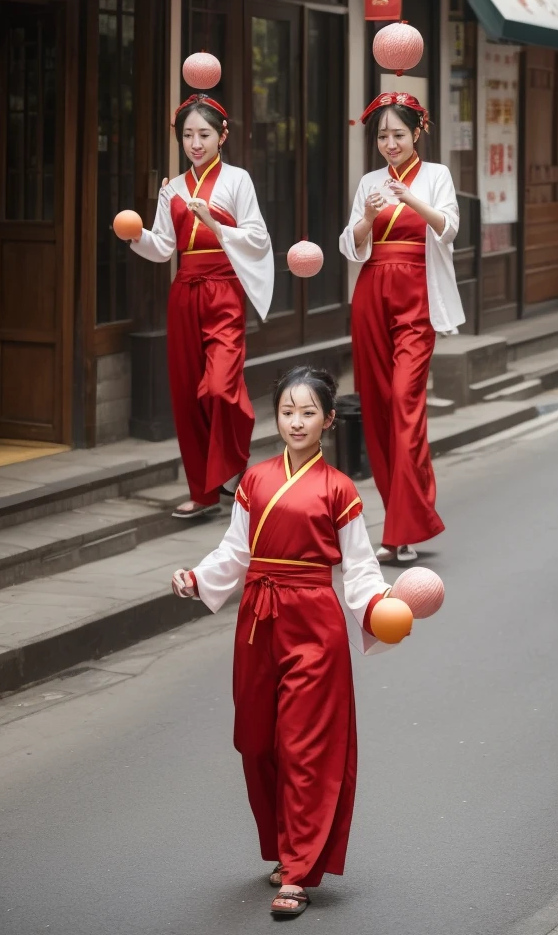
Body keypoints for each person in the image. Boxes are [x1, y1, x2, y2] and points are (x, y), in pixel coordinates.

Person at [171, 366, 391, 918]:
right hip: (257, 620)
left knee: (305, 746)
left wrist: (380, 606)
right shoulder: (254, 479)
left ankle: (297, 871)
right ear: (277, 417)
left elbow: (360, 569)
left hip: (314, 624)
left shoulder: (339, 489)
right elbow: (234, 551)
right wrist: (198, 577)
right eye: (288, 412)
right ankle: (282, 845)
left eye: (308, 412)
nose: (297, 421)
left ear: (329, 421)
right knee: (257, 740)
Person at [129, 94, 274, 519]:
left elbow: (257, 238)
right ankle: (203, 492)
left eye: (204, 134)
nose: (195, 143)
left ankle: (232, 467)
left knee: (219, 386)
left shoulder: (237, 181)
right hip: (185, 292)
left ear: (222, 136)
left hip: (225, 291)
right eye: (188, 135)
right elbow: (163, 247)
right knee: (186, 395)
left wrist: (213, 222)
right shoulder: (172, 188)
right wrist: (135, 235)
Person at [340, 93, 465, 564]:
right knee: (376, 405)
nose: (390, 143)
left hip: (417, 298)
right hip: (372, 295)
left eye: (398, 134)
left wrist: (412, 198)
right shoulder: (370, 181)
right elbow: (351, 244)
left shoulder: (436, 177)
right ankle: (397, 526)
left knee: (404, 403)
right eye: (382, 136)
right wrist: (368, 218)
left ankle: (406, 525)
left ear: (417, 133)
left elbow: (449, 228)